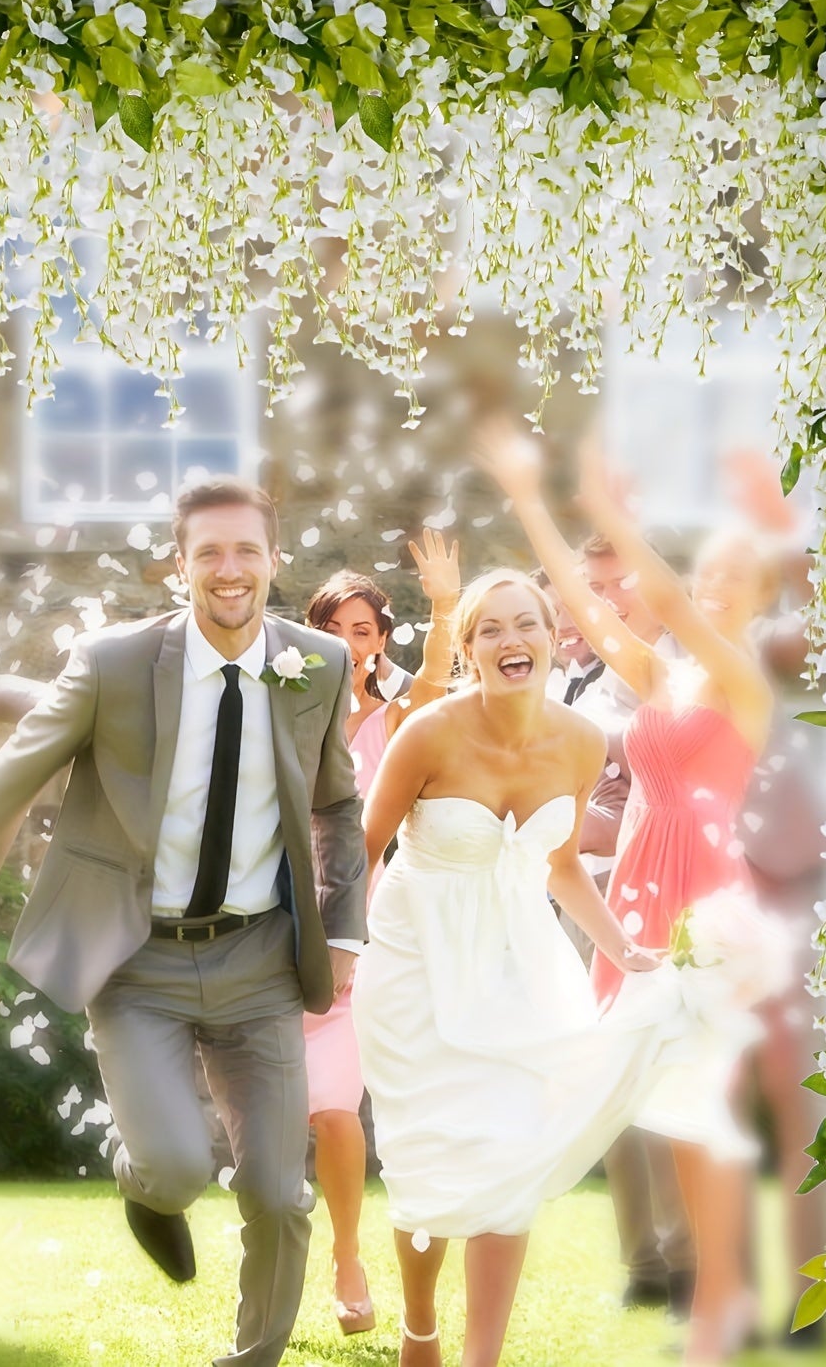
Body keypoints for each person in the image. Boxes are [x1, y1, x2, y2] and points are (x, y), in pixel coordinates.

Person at [0, 476, 366, 1367]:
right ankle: (145, 1184)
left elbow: (336, 805)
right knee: (176, 1167)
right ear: (179, 566)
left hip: (261, 958)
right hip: (139, 962)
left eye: (247, 548)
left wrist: (345, 924)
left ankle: (254, 1358)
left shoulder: (317, 664)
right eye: (207, 551)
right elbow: (17, 769)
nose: (229, 568)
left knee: (282, 1194)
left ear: (274, 560)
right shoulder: (113, 662)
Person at [483, 425, 776, 1364]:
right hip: (642, 893)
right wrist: (534, 502)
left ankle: (721, 1299)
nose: (713, 591)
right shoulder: (666, 672)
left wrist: (610, 512)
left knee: (696, 1101)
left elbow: (662, 604)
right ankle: (715, 1298)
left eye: (735, 581)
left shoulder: (742, 677)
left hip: (707, 903)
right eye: (711, 575)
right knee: (671, 1103)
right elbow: (591, 614)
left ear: (761, 597)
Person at [351, 569, 682, 1367]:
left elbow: (562, 866)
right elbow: (362, 853)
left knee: (510, 1152)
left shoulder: (579, 740)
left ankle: (481, 1359)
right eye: (491, 629)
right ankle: (421, 1326)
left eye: (525, 624)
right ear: (467, 649)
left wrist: (631, 954)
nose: (512, 640)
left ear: (550, 636)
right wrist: (342, 959)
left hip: (518, 961)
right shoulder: (426, 733)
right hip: (415, 959)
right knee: (428, 1154)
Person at [300, 531, 461, 1335]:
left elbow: (436, 678)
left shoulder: (398, 718)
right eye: (330, 630)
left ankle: (347, 1256)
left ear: (378, 643)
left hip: (348, 935)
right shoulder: (275, 708)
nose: (345, 644)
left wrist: (443, 606)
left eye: (360, 631)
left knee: (334, 1106)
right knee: (269, 1121)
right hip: (259, 926)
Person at [541, 551, 698, 1317]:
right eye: (588, 590)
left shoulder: (695, 673)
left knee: (674, 1071)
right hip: (591, 904)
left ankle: (690, 1254)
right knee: (610, 1079)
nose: (596, 604)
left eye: (613, 586)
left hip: (679, 899)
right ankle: (645, 1259)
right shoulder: (564, 682)